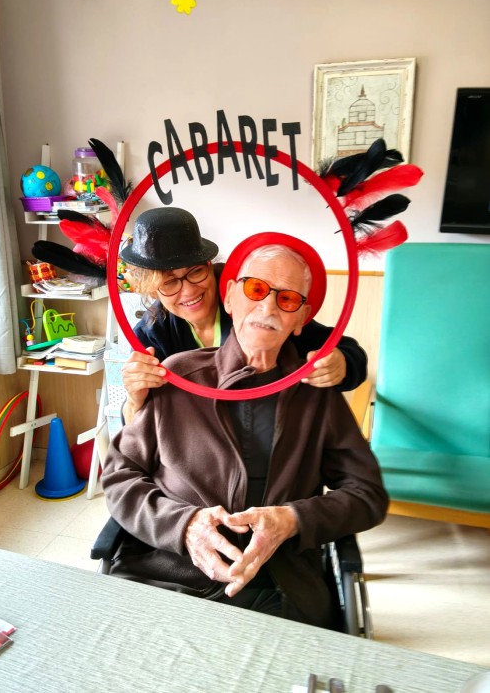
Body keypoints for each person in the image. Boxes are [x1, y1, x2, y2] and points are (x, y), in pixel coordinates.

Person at [102, 233, 388, 629]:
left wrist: (293, 519)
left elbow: (367, 494)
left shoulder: (317, 392)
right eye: (256, 289)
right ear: (230, 297)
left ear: (301, 319)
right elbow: (120, 474)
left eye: (287, 299)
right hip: (169, 575)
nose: (268, 306)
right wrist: (183, 526)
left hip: (279, 587)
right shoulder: (176, 375)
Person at [119, 207, 368, 423]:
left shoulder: (249, 297)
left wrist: (342, 364)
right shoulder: (151, 335)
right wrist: (134, 400)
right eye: (170, 282)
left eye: (195, 272)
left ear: (209, 265)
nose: (189, 290)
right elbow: (138, 429)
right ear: (152, 290)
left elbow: (347, 352)